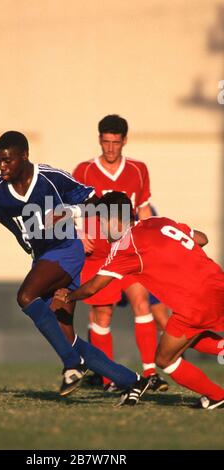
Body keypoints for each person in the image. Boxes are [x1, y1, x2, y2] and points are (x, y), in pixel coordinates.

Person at [0, 131, 149, 403]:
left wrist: (73, 212)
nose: (2, 166)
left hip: (66, 250)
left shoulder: (51, 178)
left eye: (8, 160)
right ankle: (132, 380)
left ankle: (72, 364)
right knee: (68, 337)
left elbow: (91, 201)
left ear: (24, 156)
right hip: (42, 259)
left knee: (25, 296)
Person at [55, 191, 224, 409]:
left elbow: (93, 287)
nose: (101, 229)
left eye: (102, 222)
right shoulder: (157, 221)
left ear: (114, 220)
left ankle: (217, 395)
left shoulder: (126, 246)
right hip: (217, 284)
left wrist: (68, 295)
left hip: (193, 304)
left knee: (165, 360)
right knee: (191, 338)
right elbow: (202, 238)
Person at [72, 114, 169, 390]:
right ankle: (108, 378)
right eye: (106, 142)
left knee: (142, 303)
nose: (110, 148)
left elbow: (145, 209)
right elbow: (70, 208)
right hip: (100, 256)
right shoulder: (85, 170)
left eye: (116, 142)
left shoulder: (138, 170)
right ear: (99, 140)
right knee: (102, 315)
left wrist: (151, 240)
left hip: (130, 250)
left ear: (125, 140)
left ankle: (150, 373)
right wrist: (80, 234)